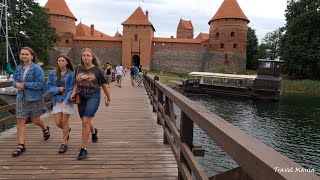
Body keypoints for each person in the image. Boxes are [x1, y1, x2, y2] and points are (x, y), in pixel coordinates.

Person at [70, 48, 111, 160]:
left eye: (88, 55)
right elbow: (76, 83)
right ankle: (94, 131)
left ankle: (84, 149)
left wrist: (109, 98)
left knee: (85, 121)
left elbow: (103, 85)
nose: (86, 57)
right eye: (84, 55)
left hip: (93, 97)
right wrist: (73, 93)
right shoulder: (78, 68)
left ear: (92, 57)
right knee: (85, 121)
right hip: (81, 97)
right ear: (81, 57)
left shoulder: (97, 70)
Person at [12, 47, 50, 157]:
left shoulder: (37, 69)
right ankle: (21, 145)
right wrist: (16, 84)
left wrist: (25, 85)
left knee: (35, 119)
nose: (24, 56)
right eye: (22, 54)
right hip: (21, 97)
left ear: (32, 56)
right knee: (20, 120)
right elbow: (15, 79)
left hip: (34, 98)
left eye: (26, 54)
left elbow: (40, 84)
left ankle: (45, 128)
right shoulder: (19, 68)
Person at [46, 55, 75, 153]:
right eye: (59, 60)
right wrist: (58, 89)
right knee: (58, 123)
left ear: (67, 62)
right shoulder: (52, 73)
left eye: (63, 60)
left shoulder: (71, 74)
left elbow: (71, 88)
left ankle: (64, 143)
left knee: (64, 122)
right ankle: (67, 130)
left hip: (66, 100)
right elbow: (48, 87)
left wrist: (65, 101)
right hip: (56, 99)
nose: (60, 62)